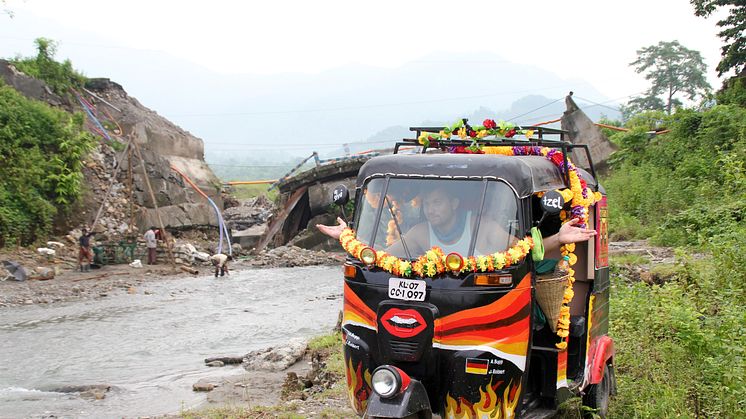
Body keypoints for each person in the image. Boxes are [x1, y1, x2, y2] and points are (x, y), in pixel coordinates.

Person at [317, 187, 596, 255]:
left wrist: (558, 238)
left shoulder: (480, 227)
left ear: (454, 204)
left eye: (436, 202)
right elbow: (378, 257)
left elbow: (522, 251)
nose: (430, 209)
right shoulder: (420, 233)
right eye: (426, 204)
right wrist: (346, 236)